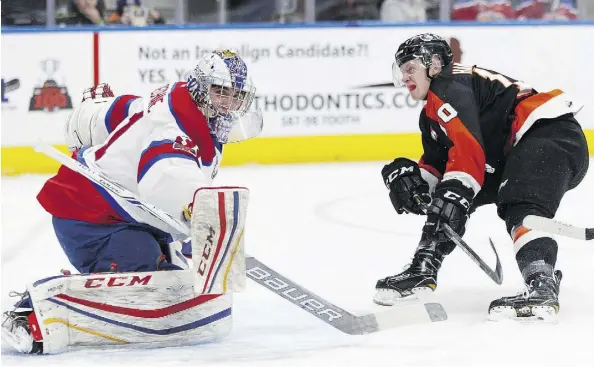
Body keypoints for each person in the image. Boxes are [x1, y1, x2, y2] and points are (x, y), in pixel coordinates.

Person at [1, 50, 262, 353]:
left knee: (174, 279)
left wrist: (91, 113)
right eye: (219, 91)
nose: (228, 102)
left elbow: (125, 111)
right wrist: (202, 221)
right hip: (90, 215)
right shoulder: (180, 123)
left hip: (129, 217)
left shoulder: (178, 100)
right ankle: (32, 312)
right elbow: (162, 173)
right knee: (143, 273)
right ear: (200, 87)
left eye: (236, 94)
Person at [374, 33, 588, 320]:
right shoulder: (432, 112)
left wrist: (450, 194)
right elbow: (441, 168)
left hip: (549, 135)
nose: (404, 76)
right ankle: (423, 269)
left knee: (517, 204)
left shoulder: (449, 86)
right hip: (520, 149)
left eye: (410, 67)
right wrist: (413, 182)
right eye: (401, 69)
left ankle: (542, 286)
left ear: (434, 64)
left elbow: (468, 153)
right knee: (448, 197)